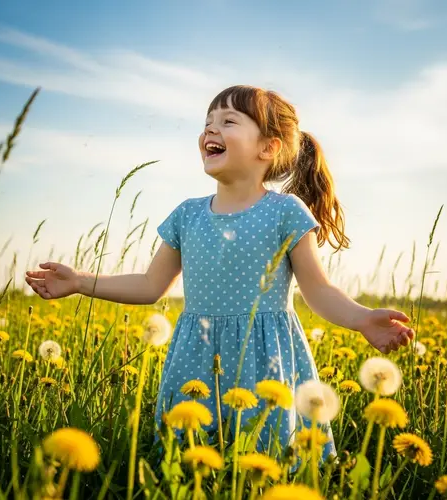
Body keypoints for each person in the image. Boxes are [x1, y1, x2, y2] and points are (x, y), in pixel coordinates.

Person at [25, 85, 414, 465]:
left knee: (265, 462)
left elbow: (318, 291)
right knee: (190, 460)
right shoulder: (188, 214)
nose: (210, 129)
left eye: (228, 121)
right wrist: (79, 281)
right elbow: (149, 286)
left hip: (266, 358)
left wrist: (362, 318)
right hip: (196, 356)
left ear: (268, 147)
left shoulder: (285, 212)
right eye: (208, 121)